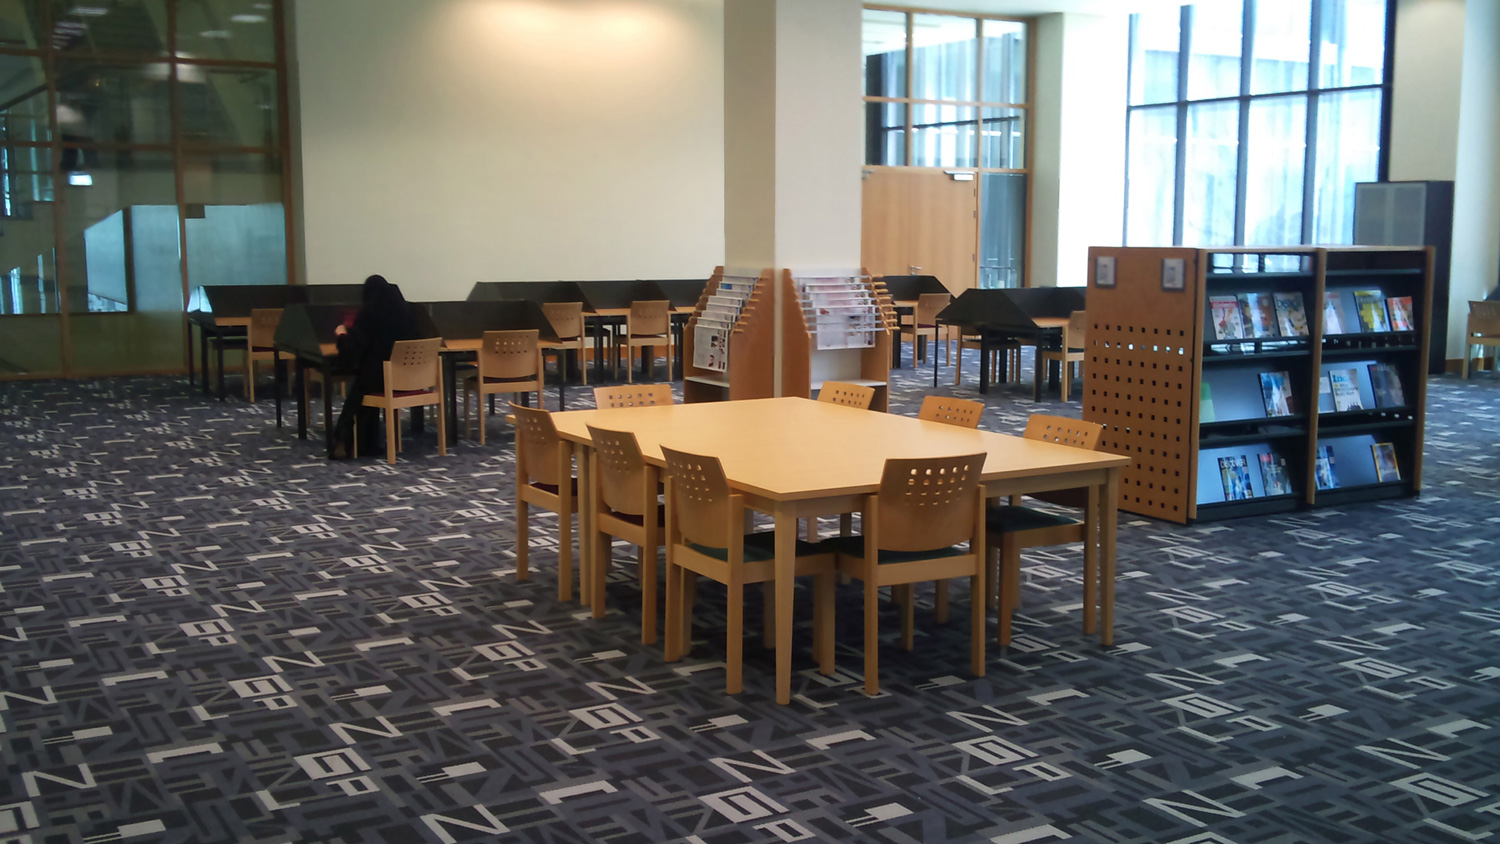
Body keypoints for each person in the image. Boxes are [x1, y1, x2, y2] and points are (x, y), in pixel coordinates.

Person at [329, 274, 421, 459]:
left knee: (359, 389)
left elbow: (356, 348)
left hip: (381, 378)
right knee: (363, 385)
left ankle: (345, 437)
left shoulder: (369, 312)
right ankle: (362, 442)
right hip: (409, 377)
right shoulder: (407, 313)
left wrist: (342, 335)